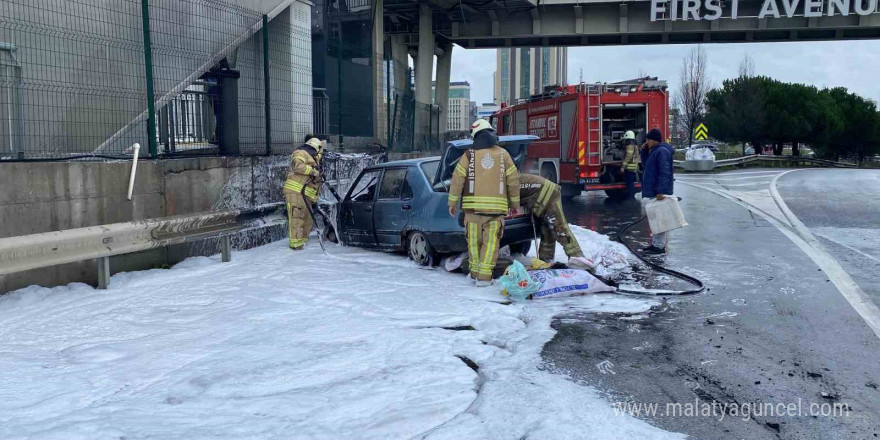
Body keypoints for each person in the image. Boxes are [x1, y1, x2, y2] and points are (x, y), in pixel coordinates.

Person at [449, 119, 520, 286]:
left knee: (473, 244)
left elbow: (457, 178)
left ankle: (474, 274)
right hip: (496, 212)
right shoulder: (503, 154)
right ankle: (484, 278)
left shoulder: (468, 155)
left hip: (472, 211)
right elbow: (513, 180)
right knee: (490, 245)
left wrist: (452, 202)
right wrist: (515, 205)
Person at [518, 174, 593, 270]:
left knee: (560, 228)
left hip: (549, 195)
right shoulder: (511, 179)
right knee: (547, 229)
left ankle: (578, 259)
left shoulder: (507, 184)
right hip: (547, 192)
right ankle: (546, 260)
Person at [283, 137, 324, 250]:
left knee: (308, 218)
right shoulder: (300, 152)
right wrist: (314, 171)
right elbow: (298, 166)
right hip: (295, 191)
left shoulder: (314, 157)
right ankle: (296, 244)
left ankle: (303, 240)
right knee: (297, 217)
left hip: (306, 194)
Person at [640, 128, 675, 254]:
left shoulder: (662, 152)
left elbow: (664, 172)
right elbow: (645, 164)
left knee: (659, 219)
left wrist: (661, 191)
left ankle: (659, 246)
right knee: (655, 219)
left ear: (654, 140)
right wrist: (644, 150)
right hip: (654, 190)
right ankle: (656, 244)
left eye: (648, 140)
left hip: (658, 192)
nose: (647, 142)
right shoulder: (655, 151)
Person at [620, 130, 640, 199]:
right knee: (631, 183)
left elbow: (628, 156)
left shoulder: (630, 146)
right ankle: (631, 196)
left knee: (630, 183)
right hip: (633, 168)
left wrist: (623, 166)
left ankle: (631, 197)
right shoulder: (635, 145)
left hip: (629, 168)